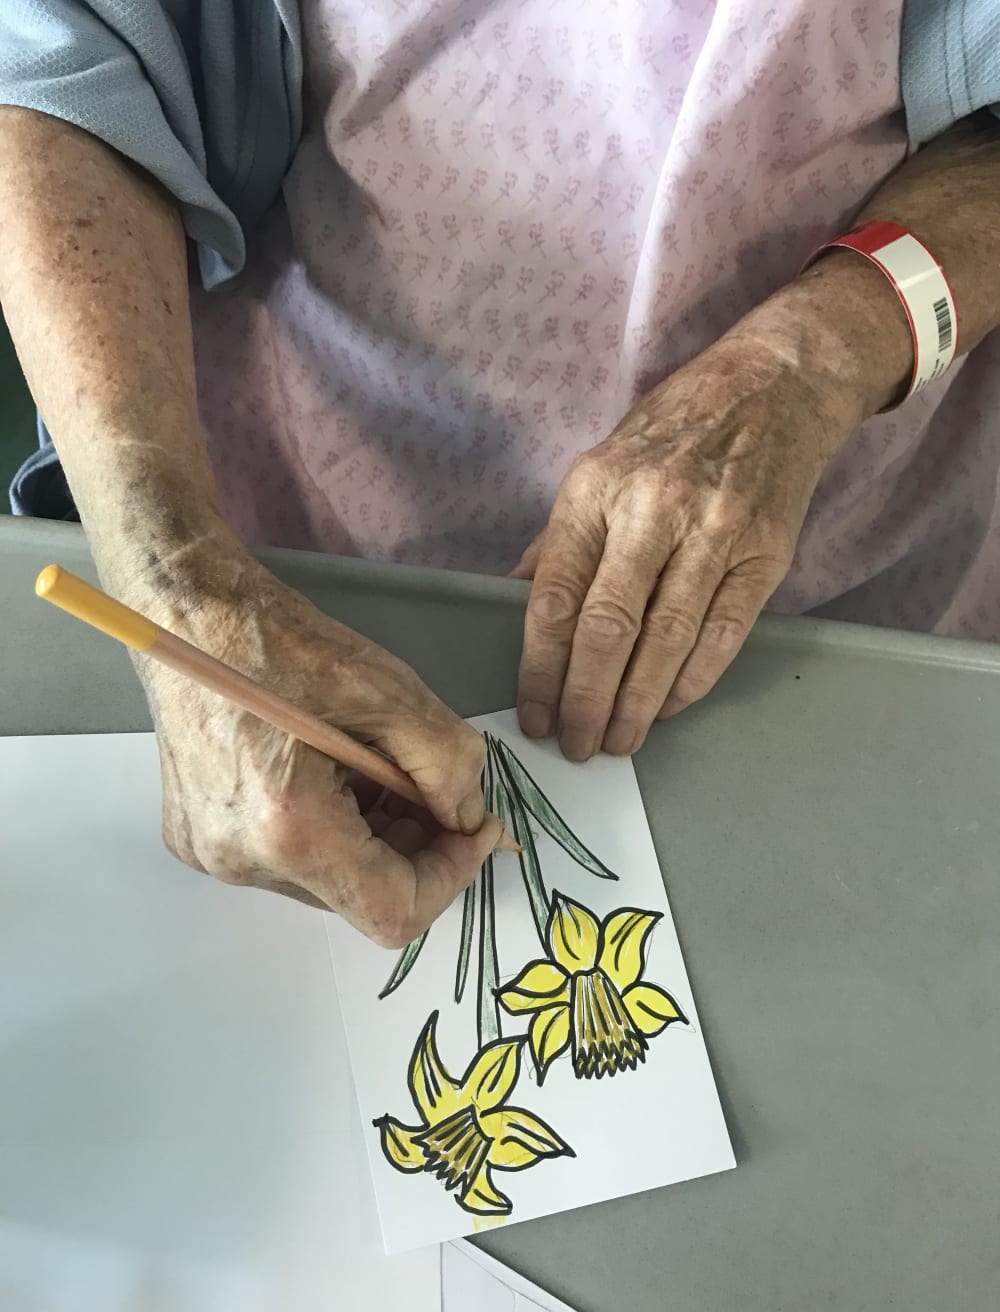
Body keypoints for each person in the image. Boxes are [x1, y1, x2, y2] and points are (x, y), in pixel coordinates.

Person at [1, 2, 998, 946]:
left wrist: (808, 361)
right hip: (281, 557)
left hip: (845, 588)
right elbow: (54, 53)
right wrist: (176, 580)